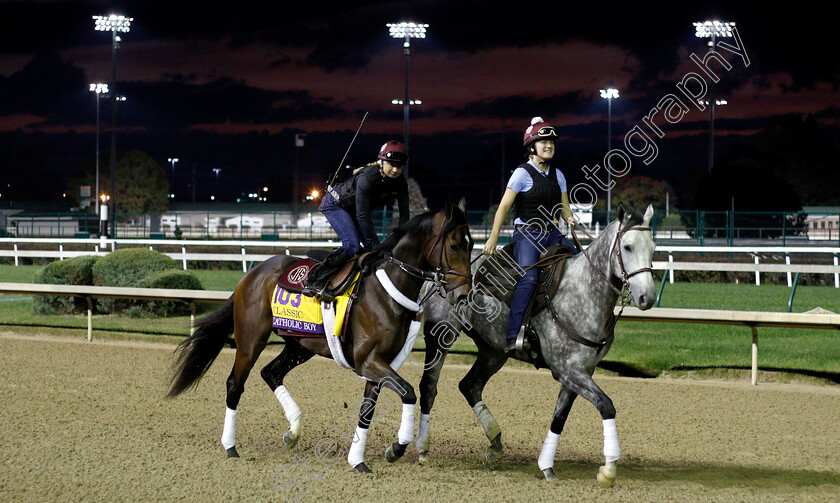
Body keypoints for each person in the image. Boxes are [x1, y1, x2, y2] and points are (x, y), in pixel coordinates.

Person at [483, 117, 579, 353]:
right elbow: (503, 208)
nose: (549, 145)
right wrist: (493, 238)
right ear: (531, 146)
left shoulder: (559, 175)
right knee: (529, 279)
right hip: (527, 234)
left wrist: (569, 217)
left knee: (579, 266)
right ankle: (513, 335)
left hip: (551, 234)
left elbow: (564, 206)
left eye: (552, 142)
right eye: (543, 141)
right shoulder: (521, 173)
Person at [304, 140, 410, 296]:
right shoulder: (367, 178)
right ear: (381, 162)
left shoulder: (400, 183)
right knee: (352, 245)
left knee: (370, 249)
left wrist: (401, 239)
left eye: (399, 166)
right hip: (336, 205)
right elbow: (362, 216)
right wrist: (375, 244)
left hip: (355, 211)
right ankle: (315, 280)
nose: (395, 170)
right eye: (391, 164)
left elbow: (404, 215)